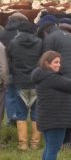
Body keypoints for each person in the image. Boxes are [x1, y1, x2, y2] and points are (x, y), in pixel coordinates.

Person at [38, 15, 71, 148]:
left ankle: (66, 140)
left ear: (45, 31)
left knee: (63, 109)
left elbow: (46, 61)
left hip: (63, 77)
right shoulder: (70, 36)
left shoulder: (50, 39)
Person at [31, 51, 71, 160]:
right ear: (47, 63)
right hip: (56, 119)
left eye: (59, 62)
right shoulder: (51, 77)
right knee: (53, 149)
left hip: (46, 118)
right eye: (56, 62)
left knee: (49, 147)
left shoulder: (41, 76)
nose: (59, 65)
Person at [8, 21, 43, 150]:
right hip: (36, 82)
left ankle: (22, 144)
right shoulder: (40, 43)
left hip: (19, 82)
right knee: (36, 112)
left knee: (21, 113)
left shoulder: (13, 43)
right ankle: (35, 143)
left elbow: (10, 59)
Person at [0, 12, 28, 127]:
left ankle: (11, 120)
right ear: (21, 22)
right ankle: (21, 120)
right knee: (20, 96)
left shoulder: (2, 33)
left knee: (9, 95)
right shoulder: (22, 35)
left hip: (5, 70)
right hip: (20, 70)